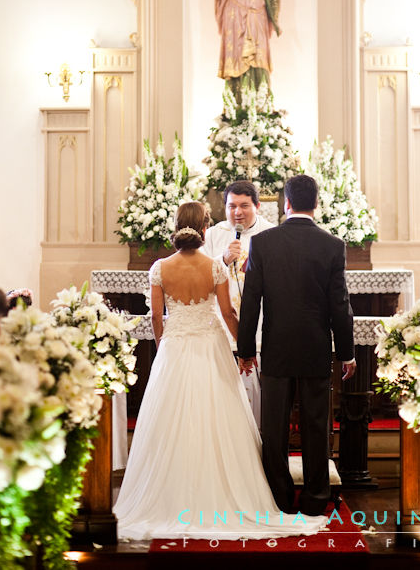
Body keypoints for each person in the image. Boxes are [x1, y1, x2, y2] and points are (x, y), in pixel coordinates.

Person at [114, 201, 325, 540]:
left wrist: (163, 341)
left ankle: (169, 495)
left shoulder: (159, 267)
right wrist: (244, 350)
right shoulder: (215, 267)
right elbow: (227, 314)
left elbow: (156, 316)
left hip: (175, 348)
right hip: (211, 347)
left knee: (170, 419)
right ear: (203, 229)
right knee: (218, 416)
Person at [238, 174, 356, 516]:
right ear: (315, 204)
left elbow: (251, 302)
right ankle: (316, 500)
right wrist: (346, 353)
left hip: (276, 348)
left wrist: (246, 349)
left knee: (273, 427)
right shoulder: (333, 245)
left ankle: (277, 498)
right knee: (316, 426)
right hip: (316, 348)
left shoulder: (263, 243)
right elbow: (339, 305)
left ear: (284, 204)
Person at [203, 180, 274, 425]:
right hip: (223, 322)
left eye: (244, 206)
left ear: (257, 206)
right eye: (232, 206)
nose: (237, 212)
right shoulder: (214, 234)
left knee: (257, 393)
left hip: (261, 321)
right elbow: (199, 276)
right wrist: (222, 259)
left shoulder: (270, 233)